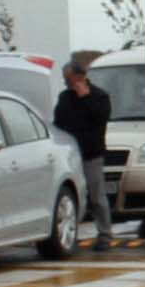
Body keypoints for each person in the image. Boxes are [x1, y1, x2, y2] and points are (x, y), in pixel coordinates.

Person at [52, 53, 113, 251]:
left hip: (91, 154)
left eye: (69, 79)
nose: (67, 83)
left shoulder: (99, 96)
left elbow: (101, 117)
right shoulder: (64, 98)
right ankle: (71, 233)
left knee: (97, 196)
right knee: (75, 195)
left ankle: (105, 234)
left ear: (80, 77)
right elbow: (59, 122)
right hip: (70, 155)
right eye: (65, 80)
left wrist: (85, 97)